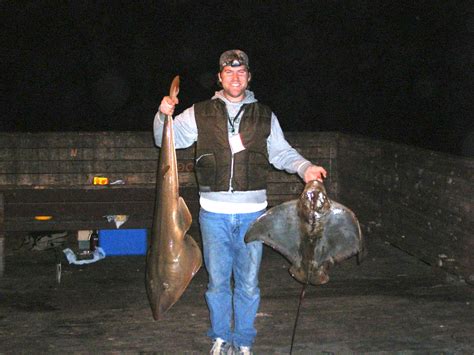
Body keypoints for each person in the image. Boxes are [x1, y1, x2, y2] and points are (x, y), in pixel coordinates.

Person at [154, 49, 327, 355]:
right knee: (218, 283)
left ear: (248, 77)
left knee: (247, 284)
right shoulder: (200, 112)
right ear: (220, 77)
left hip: (252, 215)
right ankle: (221, 337)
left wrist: (306, 168)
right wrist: (162, 115)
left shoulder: (265, 115)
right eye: (229, 72)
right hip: (213, 213)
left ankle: (244, 340)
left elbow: (282, 153)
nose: (235, 77)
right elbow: (165, 139)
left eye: (241, 72)